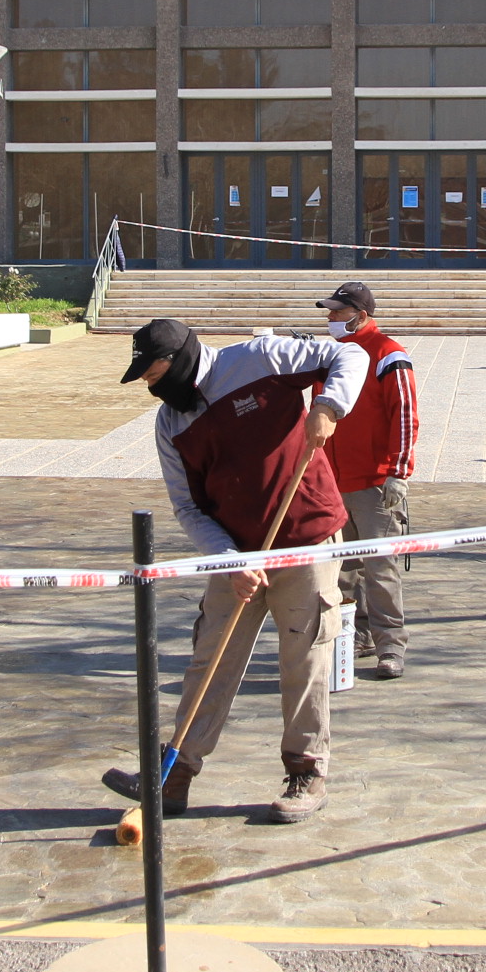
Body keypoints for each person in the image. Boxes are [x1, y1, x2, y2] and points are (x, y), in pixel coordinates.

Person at [102, 317, 366, 825]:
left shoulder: (258, 359)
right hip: (236, 554)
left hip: (306, 539)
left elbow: (347, 356)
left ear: (178, 359)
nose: (150, 386)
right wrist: (228, 560)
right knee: (211, 657)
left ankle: (306, 770)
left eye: (152, 374)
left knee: (304, 659)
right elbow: (188, 509)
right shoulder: (170, 425)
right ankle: (175, 775)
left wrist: (329, 406)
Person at [318, 282, 419, 681]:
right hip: (334, 482)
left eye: (336, 313)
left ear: (360, 315)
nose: (329, 319)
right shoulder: (332, 355)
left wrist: (399, 472)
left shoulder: (389, 355)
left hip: (376, 484)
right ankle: (356, 636)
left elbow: (405, 416)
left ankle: (390, 645)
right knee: (343, 570)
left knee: (381, 569)